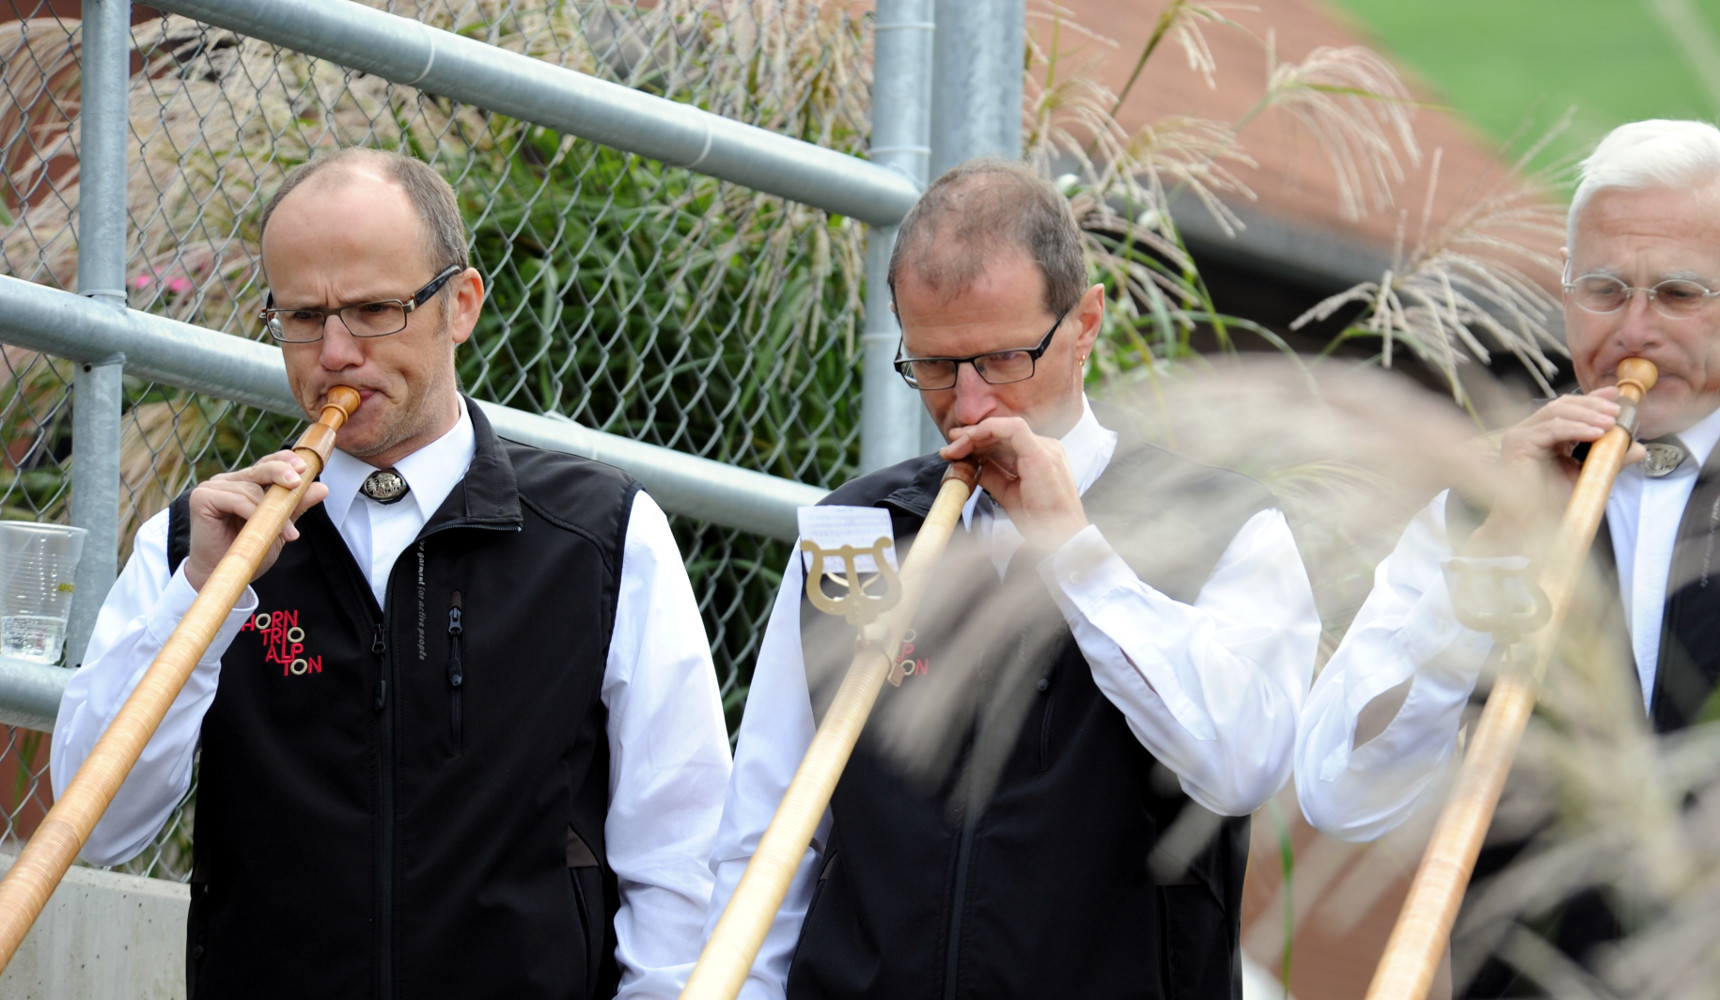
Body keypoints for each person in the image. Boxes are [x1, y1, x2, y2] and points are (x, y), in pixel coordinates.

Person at [1294, 119, 1720, 997]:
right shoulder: (1477, 503)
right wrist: (1489, 555)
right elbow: (1342, 793)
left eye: (1678, 293)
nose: (1634, 330)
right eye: (1603, 289)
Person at [51, 148, 731, 999]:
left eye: (374, 310)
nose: (335, 353)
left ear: (461, 305)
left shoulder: (601, 534)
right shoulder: (196, 543)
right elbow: (95, 827)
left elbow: (681, 853)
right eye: (303, 316)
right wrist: (200, 599)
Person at [707, 158, 1321, 999]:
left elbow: (1243, 762)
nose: (967, 408)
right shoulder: (857, 531)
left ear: (1086, 323)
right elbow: (768, 831)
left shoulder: (1221, 527)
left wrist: (1073, 551)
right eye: (932, 365)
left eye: (1002, 359)